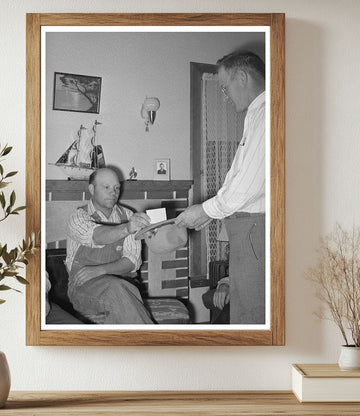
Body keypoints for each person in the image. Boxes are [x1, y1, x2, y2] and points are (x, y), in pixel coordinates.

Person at [175, 50, 266, 324]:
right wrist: (209, 212)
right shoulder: (255, 115)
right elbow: (240, 179)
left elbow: (248, 186)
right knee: (243, 309)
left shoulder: (266, 114)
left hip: (254, 229)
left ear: (242, 76)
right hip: (246, 229)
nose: (225, 96)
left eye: (225, 88)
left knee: (252, 315)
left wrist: (205, 210)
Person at [65, 167, 154, 324]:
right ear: (92, 189)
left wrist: (100, 270)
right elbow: (96, 236)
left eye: (117, 188)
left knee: (122, 292)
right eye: (106, 187)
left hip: (124, 286)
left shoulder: (128, 216)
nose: (113, 192)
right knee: (118, 290)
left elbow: (132, 262)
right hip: (83, 288)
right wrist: (126, 228)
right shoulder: (78, 217)